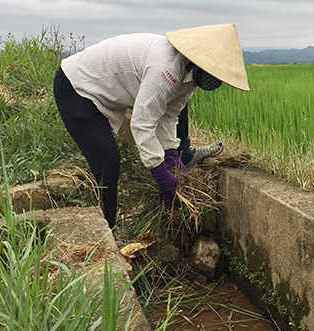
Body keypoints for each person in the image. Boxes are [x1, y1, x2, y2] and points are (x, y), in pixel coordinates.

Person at [52, 23, 249, 229]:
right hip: (77, 86)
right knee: (107, 163)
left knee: (108, 160)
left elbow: (169, 114)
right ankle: (106, 232)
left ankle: (105, 223)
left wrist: (171, 155)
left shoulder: (191, 77)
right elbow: (142, 123)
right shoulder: (166, 68)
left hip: (103, 89)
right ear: (200, 61)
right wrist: (160, 173)